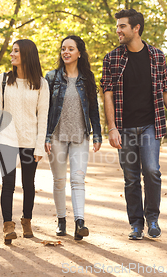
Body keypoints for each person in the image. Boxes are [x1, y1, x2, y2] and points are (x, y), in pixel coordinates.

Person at [101, 9, 167, 240]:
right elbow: (107, 94)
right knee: (130, 177)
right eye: (117, 26)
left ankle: (153, 219)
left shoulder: (157, 56)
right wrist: (111, 127)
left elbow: (166, 90)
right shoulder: (112, 58)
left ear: (136, 28)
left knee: (151, 171)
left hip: (151, 125)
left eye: (122, 26)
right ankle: (136, 224)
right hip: (124, 127)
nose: (117, 30)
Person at [0, 39, 49, 245]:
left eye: (16, 51)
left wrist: (40, 145)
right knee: (8, 183)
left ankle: (26, 220)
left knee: (28, 184)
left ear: (27, 55)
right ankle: (7, 225)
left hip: (30, 140)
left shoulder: (41, 83)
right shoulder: (4, 79)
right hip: (7, 138)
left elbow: (43, 117)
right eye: (12, 51)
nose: (11, 54)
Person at [44, 35, 102, 240]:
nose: (66, 52)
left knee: (78, 179)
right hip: (57, 136)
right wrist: (46, 137)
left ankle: (80, 222)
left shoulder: (88, 78)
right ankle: (61, 220)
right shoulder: (51, 78)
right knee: (59, 180)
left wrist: (97, 134)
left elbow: (93, 108)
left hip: (80, 136)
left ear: (79, 53)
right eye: (63, 49)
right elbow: (44, 110)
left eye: (70, 49)